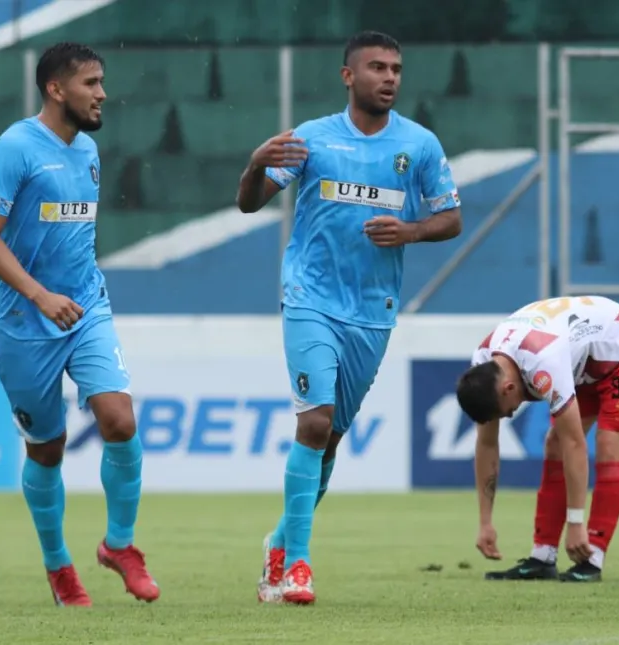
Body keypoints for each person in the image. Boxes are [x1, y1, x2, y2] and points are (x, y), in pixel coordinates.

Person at [236, 30, 464, 605]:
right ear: (348, 76)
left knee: (331, 442)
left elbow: (452, 219)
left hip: (372, 312)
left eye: (396, 69)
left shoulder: (420, 146)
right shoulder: (313, 139)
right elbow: (250, 201)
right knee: (313, 424)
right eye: (377, 68)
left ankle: (279, 543)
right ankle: (300, 568)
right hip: (310, 298)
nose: (389, 78)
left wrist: (410, 230)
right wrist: (255, 163)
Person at [0, 42, 159, 607]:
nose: (102, 93)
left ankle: (119, 546)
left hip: (85, 309)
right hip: (25, 320)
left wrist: (70, 295)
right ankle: (59, 568)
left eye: (102, 82)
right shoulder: (15, 149)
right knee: (46, 449)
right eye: (91, 83)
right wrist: (39, 294)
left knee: (119, 418)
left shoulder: (89, 150)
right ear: (56, 89)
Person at [455, 295, 619, 583]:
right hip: (584, 359)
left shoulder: (544, 362)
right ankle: (543, 556)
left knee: (608, 445)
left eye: (506, 411)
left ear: (509, 387)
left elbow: (575, 443)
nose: (510, 415)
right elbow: (487, 443)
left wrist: (576, 523)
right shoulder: (483, 362)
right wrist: (485, 522)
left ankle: (592, 558)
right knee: (553, 442)